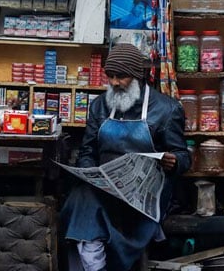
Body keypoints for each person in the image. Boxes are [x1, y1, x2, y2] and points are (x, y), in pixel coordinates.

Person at [60, 43, 191, 271]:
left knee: (88, 205)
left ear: (137, 76)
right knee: (82, 197)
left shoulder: (166, 109)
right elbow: (88, 151)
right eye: (110, 76)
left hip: (144, 192)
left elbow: (183, 156)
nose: (114, 83)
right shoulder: (99, 106)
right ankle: (94, 265)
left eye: (121, 77)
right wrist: (91, 173)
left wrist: (175, 161)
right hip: (104, 186)